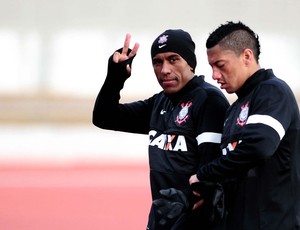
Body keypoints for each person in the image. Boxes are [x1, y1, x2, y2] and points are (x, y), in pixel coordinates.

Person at [92, 29, 229, 229]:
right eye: (157, 62)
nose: (164, 69)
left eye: (173, 59)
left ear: (190, 62)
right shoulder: (160, 102)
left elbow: (213, 177)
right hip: (162, 219)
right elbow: (104, 117)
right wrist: (115, 79)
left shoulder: (209, 101)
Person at [189, 21, 300, 229]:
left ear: (247, 56)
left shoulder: (273, 92)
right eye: (211, 67)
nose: (214, 75)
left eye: (220, 65)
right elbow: (235, 168)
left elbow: (259, 146)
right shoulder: (234, 109)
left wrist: (204, 174)